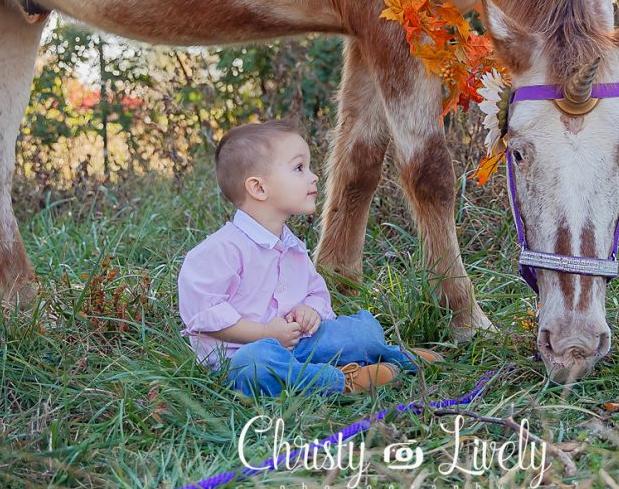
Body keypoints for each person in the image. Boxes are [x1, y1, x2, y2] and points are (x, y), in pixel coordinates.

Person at [178, 118, 438, 397]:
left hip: (298, 343)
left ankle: (390, 354)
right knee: (255, 366)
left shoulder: (293, 248)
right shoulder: (219, 251)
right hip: (240, 357)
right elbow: (205, 315)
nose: (313, 176)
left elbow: (315, 291)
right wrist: (264, 333)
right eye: (299, 168)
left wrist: (310, 310)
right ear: (259, 188)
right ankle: (343, 380)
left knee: (357, 333)